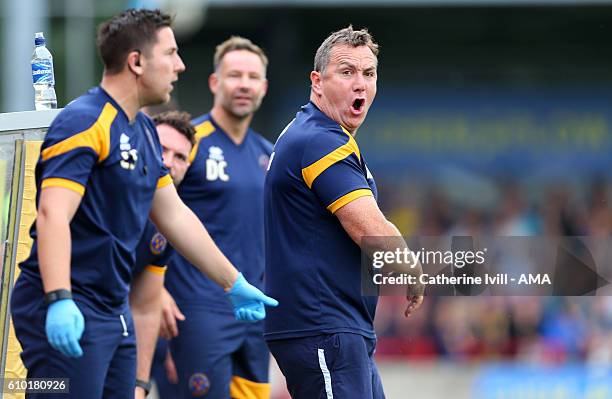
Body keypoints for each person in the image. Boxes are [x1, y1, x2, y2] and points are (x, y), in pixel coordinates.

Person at [10, 10, 277, 399]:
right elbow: (52, 215)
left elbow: (175, 216)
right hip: (68, 305)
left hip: (114, 311)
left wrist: (233, 282)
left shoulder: (146, 135)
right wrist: (58, 298)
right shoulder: (84, 122)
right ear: (136, 61)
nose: (180, 65)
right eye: (170, 53)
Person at [264, 26, 423, 399]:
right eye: (347, 72)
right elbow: (369, 227)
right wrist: (415, 271)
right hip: (324, 326)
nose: (360, 84)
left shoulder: (319, 135)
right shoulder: (320, 141)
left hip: (341, 327)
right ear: (317, 82)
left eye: (369, 74)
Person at [162, 36, 272, 398]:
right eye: (234, 75)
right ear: (215, 82)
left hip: (254, 312)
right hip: (198, 307)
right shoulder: (186, 145)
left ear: (263, 87)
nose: (243, 84)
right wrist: (155, 290)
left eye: (252, 77)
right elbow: (151, 214)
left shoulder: (269, 156)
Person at [129, 111, 195, 399]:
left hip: (130, 343)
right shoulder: (108, 197)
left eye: (180, 157)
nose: (169, 162)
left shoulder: (168, 223)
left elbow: (144, 308)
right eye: (162, 149)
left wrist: (140, 386)